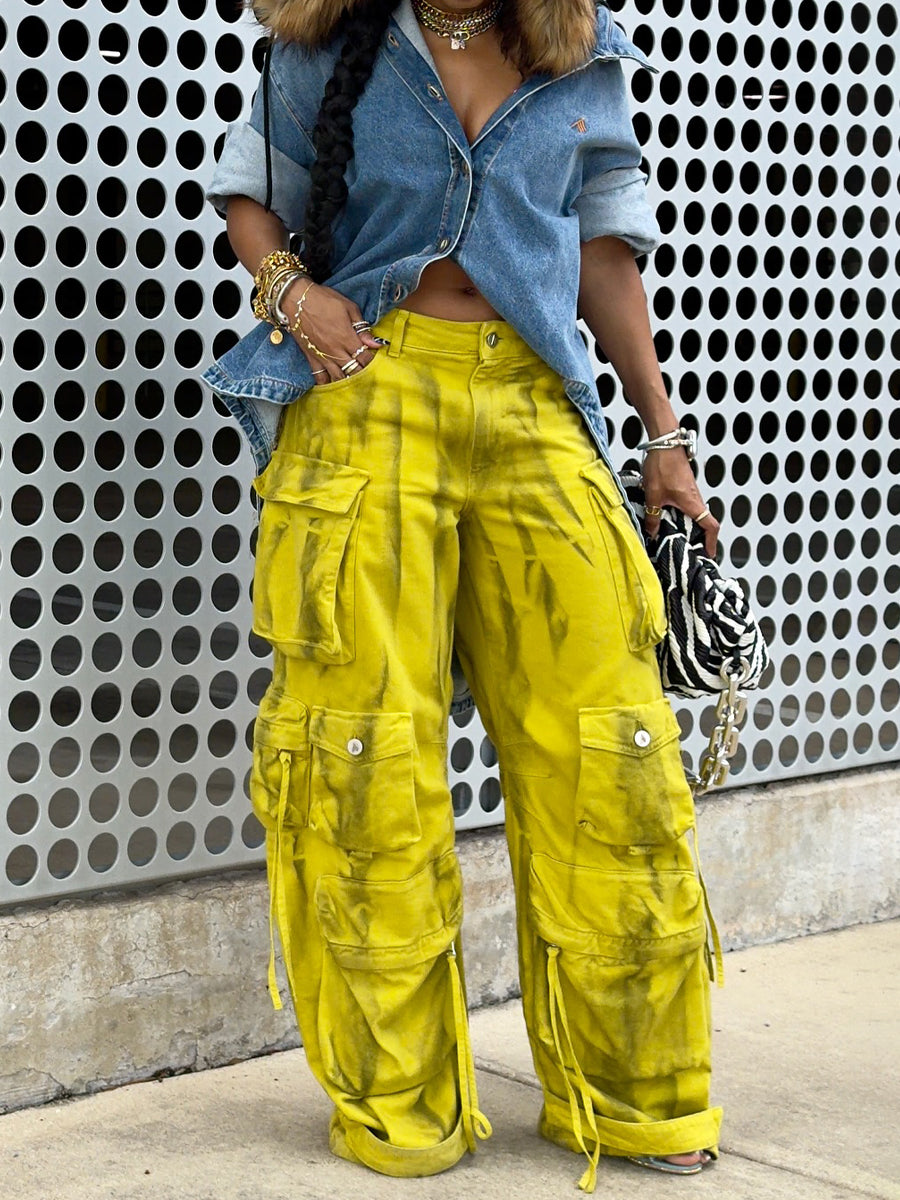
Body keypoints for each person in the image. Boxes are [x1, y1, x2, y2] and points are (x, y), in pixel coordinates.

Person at [202, 0, 723, 1189]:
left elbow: (602, 253)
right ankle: (400, 1109)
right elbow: (251, 194)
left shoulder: (582, 52)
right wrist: (294, 295)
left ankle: (640, 1097)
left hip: (537, 405)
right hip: (370, 396)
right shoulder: (327, 38)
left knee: (614, 754)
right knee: (362, 760)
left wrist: (662, 436)